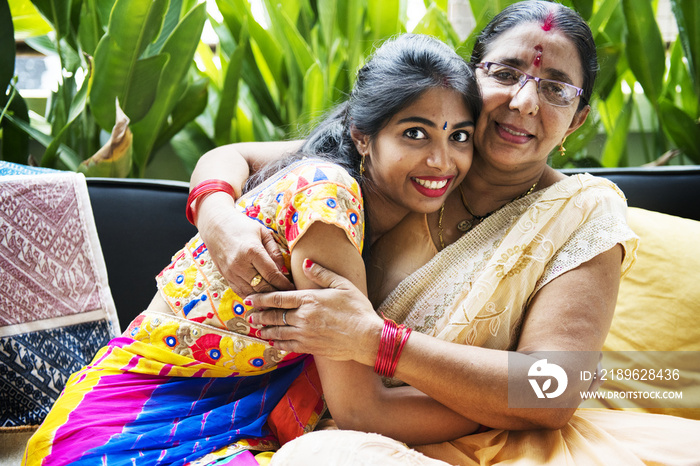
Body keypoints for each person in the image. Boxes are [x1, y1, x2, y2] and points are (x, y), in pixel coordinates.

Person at [190, 2, 700, 465]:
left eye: (555, 88)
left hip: (492, 441)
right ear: (470, 78)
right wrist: (217, 216)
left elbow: (554, 388)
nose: (524, 101)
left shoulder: (582, 214)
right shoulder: (415, 160)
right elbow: (240, 156)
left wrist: (377, 341)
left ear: (577, 120)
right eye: (506, 72)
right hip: (318, 419)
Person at [22, 34, 481, 466]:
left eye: (459, 135)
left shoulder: (347, 166)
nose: (441, 160)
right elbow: (364, 412)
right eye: (416, 134)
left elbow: (231, 154)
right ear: (362, 134)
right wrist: (504, 407)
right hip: (126, 433)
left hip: (183, 421)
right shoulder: (329, 197)